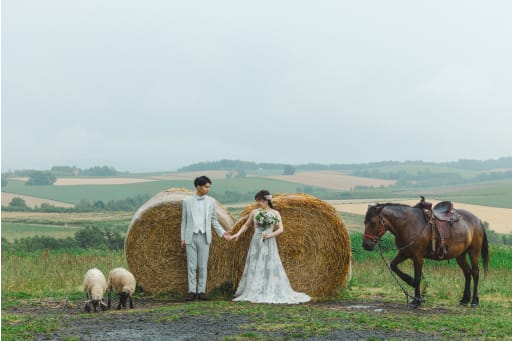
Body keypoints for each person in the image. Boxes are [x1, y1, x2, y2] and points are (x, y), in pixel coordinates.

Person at [230, 190, 311, 304]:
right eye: (257, 201)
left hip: (269, 240)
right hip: (256, 241)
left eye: (260, 201)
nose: (258, 203)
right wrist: (237, 234)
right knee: (255, 263)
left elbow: (281, 228)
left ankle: (267, 289)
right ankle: (254, 289)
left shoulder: (275, 213)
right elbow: (246, 225)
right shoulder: (255, 212)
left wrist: (270, 235)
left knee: (269, 264)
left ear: (266, 200)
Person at [181, 175, 231, 301]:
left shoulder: (211, 202)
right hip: (190, 236)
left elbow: (214, 220)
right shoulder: (187, 201)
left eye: (209, 187)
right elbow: (184, 221)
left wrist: (222, 233)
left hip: (204, 236)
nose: (208, 189)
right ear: (198, 186)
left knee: (203, 265)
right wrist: (183, 238)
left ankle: (202, 291)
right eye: (206, 187)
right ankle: (192, 291)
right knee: (191, 266)